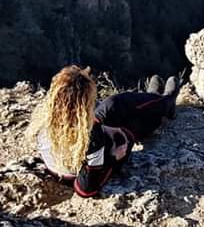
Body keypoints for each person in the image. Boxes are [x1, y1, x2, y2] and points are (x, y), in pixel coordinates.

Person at [27, 65, 180, 197]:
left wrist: (103, 128)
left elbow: (75, 133)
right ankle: (166, 102)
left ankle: (153, 97)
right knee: (130, 126)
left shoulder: (45, 119)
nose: (94, 101)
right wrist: (115, 156)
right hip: (99, 160)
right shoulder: (93, 138)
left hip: (77, 150)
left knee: (112, 104)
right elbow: (86, 189)